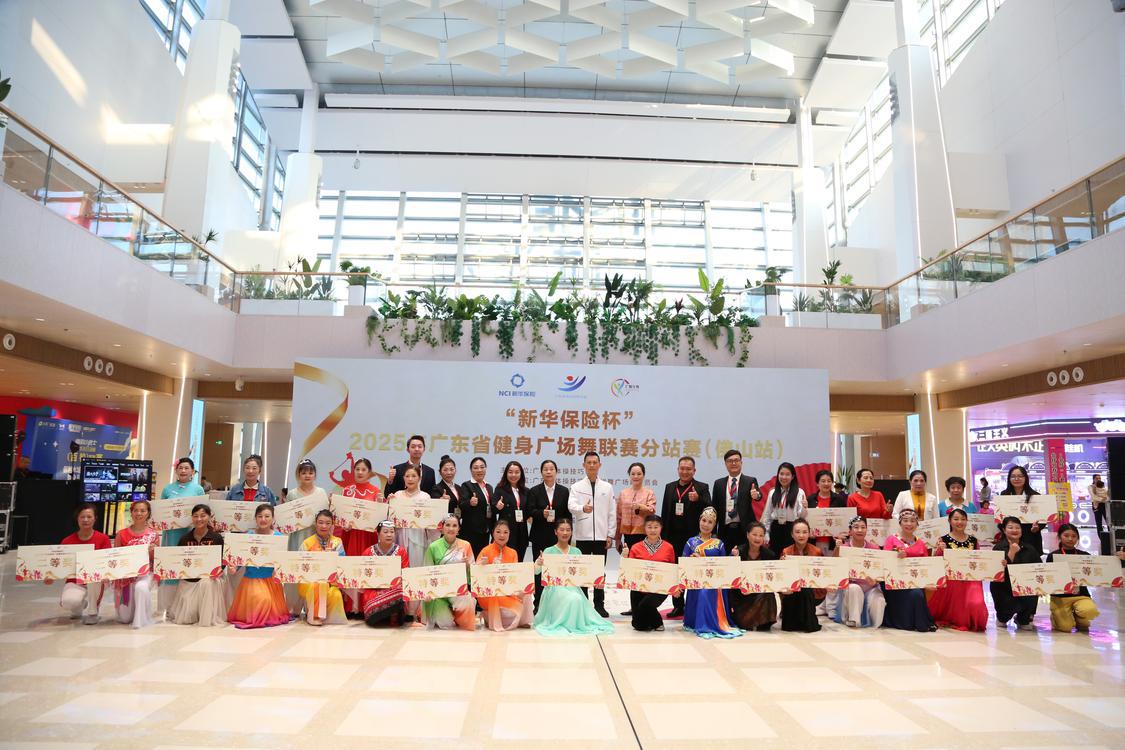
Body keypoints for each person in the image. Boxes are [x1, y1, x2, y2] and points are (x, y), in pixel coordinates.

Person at [533, 518, 615, 637]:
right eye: (562, 530)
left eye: (568, 530)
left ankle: (573, 624)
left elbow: (584, 573)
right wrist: (538, 563)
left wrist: (596, 579)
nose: (565, 533)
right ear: (556, 532)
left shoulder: (576, 551)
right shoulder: (548, 551)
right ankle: (566, 623)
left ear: (572, 532)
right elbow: (536, 572)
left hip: (573, 588)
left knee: (577, 598)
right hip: (554, 589)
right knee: (573, 599)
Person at [660, 456, 712, 617]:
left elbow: (710, 508)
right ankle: (678, 605)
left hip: (693, 538)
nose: (685, 471)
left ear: (694, 471)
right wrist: (663, 537)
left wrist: (698, 499)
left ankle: (695, 605)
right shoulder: (670, 487)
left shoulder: (702, 487)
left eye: (688, 469)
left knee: (694, 571)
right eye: (682, 468)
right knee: (676, 571)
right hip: (673, 537)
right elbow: (665, 512)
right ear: (678, 469)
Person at [568, 451, 616, 618]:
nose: (592, 465)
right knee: (583, 572)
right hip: (583, 536)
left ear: (599, 465)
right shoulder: (576, 487)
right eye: (589, 462)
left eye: (595, 462)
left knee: (599, 572)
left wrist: (610, 534)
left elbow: (611, 512)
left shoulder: (607, 487)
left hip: (601, 537)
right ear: (584, 465)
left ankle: (599, 605)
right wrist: (583, 508)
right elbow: (571, 506)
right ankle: (583, 604)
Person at [227, 504, 291, 629]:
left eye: (267, 516)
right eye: (260, 516)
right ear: (255, 518)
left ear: (273, 518)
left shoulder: (278, 537)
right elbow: (241, 556)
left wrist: (279, 570)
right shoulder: (248, 535)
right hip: (252, 579)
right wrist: (234, 567)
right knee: (262, 599)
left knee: (268, 605)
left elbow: (282, 560)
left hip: (270, 580)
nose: (263, 519)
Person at [681, 507, 742, 639]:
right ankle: (699, 622)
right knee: (703, 590)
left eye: (710, 522)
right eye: (704, 520)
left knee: (707, 591)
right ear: (699, 520)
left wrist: (733, 555)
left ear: (714, 525)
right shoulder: (690, 542)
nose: (706, 524)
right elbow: (683, 566)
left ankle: (709, 624)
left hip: (715, 583)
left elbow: (724, 565)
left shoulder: (719, 543)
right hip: (696, 582)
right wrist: (692, 560)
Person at [284, 459, 333, 614]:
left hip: (316, 538)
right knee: (297, 568)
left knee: (315, 569)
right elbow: (286, 518)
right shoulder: (292, 494)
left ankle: (313, 607)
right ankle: (294, 608)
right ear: (298, 474)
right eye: (304, 472)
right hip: (297, 537)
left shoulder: (321, 493)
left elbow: (327, 517)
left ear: (315, 475)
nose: (307, 475)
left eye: (310, 472)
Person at [158, 457, 206, 614]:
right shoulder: (167, 489)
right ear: (176, 470)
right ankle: (170, 609)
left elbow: (203, 512)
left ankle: (188, 608)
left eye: (187, 468)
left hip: (191, 534)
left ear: (192, 471)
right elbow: (161, 512)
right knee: (172, 567)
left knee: (188, 566)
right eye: (180, 468)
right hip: (171, 535)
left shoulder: (198, 489)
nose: (183, 470)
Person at [929, 508, 988, 632]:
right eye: (956, 519)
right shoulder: (943, 539)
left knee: (976, 601)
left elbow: (979, 559)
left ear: (967, 521)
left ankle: (973, 620)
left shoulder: (973, 540)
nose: (959, 522)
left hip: (971, 579)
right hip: (951, 579)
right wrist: (940, 550)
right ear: (950, 521)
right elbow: (937, 561)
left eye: (963, 519)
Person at [169, 504, 226, 627]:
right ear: (192, 518)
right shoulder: (184, 539)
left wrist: (217, 571)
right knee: (186, 618)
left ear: (209, 517)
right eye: (195, 516)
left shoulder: (216, 538)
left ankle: (206, 617)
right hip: (189, 579)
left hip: (210, 578)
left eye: (203, 516)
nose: (199, 519)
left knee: (206, 583)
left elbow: (223, 560)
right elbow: (178, 561)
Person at [881, 509, 936, 631]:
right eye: (905, 520)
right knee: (915, 593)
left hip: (916, 581)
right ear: (900, 523)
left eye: (912, 521)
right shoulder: (891, 539)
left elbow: (925, 565)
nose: (909, 524)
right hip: (896, 582)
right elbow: (885, 562)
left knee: (920, 592)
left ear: (917, 524)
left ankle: (919, 621)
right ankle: (907, 622)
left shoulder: (921, 543)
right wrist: (895, 557)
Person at [527, 459, 570, 612]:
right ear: (541, 472)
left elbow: (567, 515)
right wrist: (541, 513)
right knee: (539, 570)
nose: (549, 472)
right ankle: (538, 603)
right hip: (539, 536)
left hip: (558, 538)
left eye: (551, 469)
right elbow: (529, 511)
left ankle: (557, 602)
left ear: (556, 472)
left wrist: (566, 535)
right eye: (545, 469)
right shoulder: (534, 491)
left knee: (557, 570)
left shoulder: (564, 491)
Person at [476, 520, 534, 631]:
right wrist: (482, 566)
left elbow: (515, 577)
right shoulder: (485, 551)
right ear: (493, 533)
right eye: (498, 532)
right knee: (501, 601)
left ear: (509, 534)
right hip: (490, 594)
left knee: (527, 591)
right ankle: (490, 618)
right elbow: (476, 577)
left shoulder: (513, 552)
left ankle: (523, 621)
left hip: (508, 591)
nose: (502, 535)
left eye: (505, 532)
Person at [59, 504, 112, 624]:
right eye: (82, 517)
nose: (85, 520)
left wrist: (106, 575)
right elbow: (60, 565)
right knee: (69, 603)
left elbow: (107, 561)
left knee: (94, 578)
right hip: (75, 580)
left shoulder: (103, 539)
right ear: (77, 519)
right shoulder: (67, 541)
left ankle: (93, 612)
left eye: (89, 517)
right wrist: (49, 576)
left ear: (95, 519)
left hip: (96, 579)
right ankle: (80, 604)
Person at [421, 515, 476, 631]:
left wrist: (467, 565)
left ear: (459, 529)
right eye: (448, 525)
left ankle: (458, 615)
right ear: (442, 528)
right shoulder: (433, 547)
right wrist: (428, 592)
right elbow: (426, 572)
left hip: (458, 589)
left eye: (454, 525)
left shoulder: (466, 545)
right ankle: (447, 612)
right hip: (438, 592)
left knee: (469, 601)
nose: (451, 528)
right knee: (446, 624)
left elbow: (474, 575)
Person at [623, 514, 676, 632]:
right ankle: (648, 620)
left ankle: (657, 622)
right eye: (649, 527)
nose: (653, 530)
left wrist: (675, 588)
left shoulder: (669, 547)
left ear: (661, 528)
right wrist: (625, 557)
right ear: (644, 528)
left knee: (645, 605)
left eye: (656, 527)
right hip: (639, 589)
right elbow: (630, 571)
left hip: (659, 589)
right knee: (639, 626)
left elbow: (672, 570)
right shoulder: (636, 547)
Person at [1045, 523, 1101, 632]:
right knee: (1065, 628)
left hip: (1081, 595)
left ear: (1078, 538)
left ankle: (1079, 617)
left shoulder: (1085, 555)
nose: (1070, 539)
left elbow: (1094, 574)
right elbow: (1049, 577)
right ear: (1059, 537)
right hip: (1060, 598)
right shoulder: (1053, 556)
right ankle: (1056, 617)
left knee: (1089, 612)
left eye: (1074, 536)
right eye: (1066, 535)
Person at [832, 516, 885, 628]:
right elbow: (835, 567)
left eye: (863, 527)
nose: (860, 530)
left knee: (879, 600)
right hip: (851, 586)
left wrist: (875, 581)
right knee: (854, 589)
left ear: (867, 529)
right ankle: (854, 621)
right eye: (856, 527)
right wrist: (837, 548)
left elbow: (881, 572)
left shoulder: (874, 549)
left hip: (870, 587)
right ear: (850, 531)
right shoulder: (844, 548)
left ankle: (875, 627)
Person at [113, 500, 160, 628]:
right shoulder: (121, 534)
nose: (139, 513)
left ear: (148, 513)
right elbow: (115, 558)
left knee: (141, 587)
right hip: (126, 576)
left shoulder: (153, 534)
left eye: (143, 511)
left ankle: (140, 620)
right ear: (131, 512)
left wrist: (153, 551)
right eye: (136, 510)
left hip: (145, 574)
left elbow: (156, 561)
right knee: (125, 618)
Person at [991, 515, 1041, 631]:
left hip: (1025, 587)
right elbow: (996, 573)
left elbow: (1039, 568)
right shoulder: (998, 547)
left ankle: (1023, 618)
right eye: (1010, 527)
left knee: (1030, 598)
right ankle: (1002, 617)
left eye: (1017, 527)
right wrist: (1012, 552)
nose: (1014, 530)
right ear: (1004, 530)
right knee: (1003, 619)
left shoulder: (1029, 548)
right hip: (1004, 587)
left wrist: (1042, 586)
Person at [298, 510, 347, 626]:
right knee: (320, 585)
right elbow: (300, 567)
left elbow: (342, 564)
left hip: (331, 581)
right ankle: (314, 616)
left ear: (332, 525)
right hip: (309, 581)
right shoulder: (307, 543)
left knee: (335, 594)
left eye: (327, 523)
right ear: (315, 524)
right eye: (320, 522)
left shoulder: (337, 542)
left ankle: (328, 618)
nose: (324, 526)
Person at [361, 520, 412, 627]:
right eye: (385, 532)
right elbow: (363, 575)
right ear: (378, 533)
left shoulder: (401, 551)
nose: (389, 535)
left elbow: (406, 574)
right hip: (374, 588)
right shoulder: (368, 552)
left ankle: (394, 616)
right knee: (370, 597)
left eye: (392, 532)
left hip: (394, 588)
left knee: (401, 592)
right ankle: (377, 616)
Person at [712, 449, 761, 556]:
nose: (733, 463)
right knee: (725, 559)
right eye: (730, 461)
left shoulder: (750, 481)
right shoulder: (718, 483)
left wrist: (756, 495)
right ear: (726, 464)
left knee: (744, 559)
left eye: (736, 460)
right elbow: (714, 508)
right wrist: (714, 533)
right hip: (725, 530)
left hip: (744, 529)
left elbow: (758, 495)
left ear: (741, 462)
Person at [729, 522, 777, 631]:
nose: (757, 538)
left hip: (760, 593)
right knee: (743, 623)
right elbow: (730, 576)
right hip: (742, 595)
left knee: (768, 594)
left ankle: (763, 622)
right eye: (754, 534)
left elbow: (773, 579)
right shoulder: (738, 551)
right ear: (747, 535)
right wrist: (732, 557)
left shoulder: (769, 555)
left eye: (761, 535)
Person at [778, 519, 824, 633]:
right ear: (792, 534)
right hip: (791, 591)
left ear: (809, 533)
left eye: (804, 532)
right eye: (797, 532)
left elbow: (822, 576)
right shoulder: (786, 552)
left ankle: (809, 623)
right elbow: (781, 577)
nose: (801, 535)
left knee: (805, 589)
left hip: (811, 590)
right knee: (795, 589)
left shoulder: (817, 551)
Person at [389, 465, 435, 568]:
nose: (410, 479)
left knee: (416, 567)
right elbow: (391, 521)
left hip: (418, 536)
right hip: (400, 536)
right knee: (400, 567)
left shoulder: (425, 497)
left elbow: (430, 521)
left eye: (414, 476)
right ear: (403, 478)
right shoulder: (397, 495)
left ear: (419, 478)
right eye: (407, 476)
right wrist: (390, 504)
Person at [335, 457, 381, 557]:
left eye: (363, 470)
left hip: (368, 535)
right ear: (354, 471)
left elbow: (378, 518)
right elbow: (341, 515)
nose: (360, 472)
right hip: (350, 533)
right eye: (357, 469)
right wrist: (343, 524)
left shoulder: (376, 492)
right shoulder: (347, 490)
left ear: (369, 472)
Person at [761, 462, 807, 557]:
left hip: (791, 529)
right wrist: (766, 534)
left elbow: (802, 516)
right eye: (781, 474)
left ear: (793, 476)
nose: (784, 477)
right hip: (776, 528)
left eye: (787, 474)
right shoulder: (773, 492)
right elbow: (767, 515)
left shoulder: (799, 492)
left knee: (789, 558)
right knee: (775, 557)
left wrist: (804, 507)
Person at [1000, 465, 1044, 556]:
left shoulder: (1035, 495)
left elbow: (1042, 518)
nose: (1016, 479)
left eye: (1020, 476)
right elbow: (1000, 517)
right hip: (1009, 537)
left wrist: (1037, 527)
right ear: (1009, 479)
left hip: (1030, 536)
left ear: (1025, 478)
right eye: (1013, 476)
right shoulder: (1004, 495)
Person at [492, 460, 531, 562]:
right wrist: (497, 506)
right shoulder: (500, 489)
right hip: (506, 532)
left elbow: (529, 511)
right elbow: (493, 508)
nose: (513, 475)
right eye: (510, 472)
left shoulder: (526, 491)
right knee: (505, 563)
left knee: (519, 561)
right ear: (506, 473)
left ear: (521, 474)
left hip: (521, 532)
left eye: (517, 472)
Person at [617, 462, 657, 556]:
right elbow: (618, 517)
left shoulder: (649, 493)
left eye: (639, 474)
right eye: (633, 474)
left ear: (643, 475)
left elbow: (652, 510)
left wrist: (641, 507)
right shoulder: (623, 493)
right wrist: (618, 538)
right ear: (629, 475)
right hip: (627, 535)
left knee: (641, 562)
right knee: (628, 559)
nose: (636, 476)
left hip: (644, 535)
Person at [458, 456, 492, 557]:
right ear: (471, 470)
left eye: (482, 467)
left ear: (486, 468)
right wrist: (470, 502)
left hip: (485, 530)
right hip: (471, 531)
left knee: (482, 558)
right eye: (476, 467)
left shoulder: (489, 487)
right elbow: (461, 504)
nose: (479, 470)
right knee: (470, 559)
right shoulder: (467, 485)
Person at [431, 455, 462, 519]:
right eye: (445, 470)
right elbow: (434, 506)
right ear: (440, 472)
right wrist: (441, 501)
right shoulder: (436, 488)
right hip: (445, 521)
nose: (449, 473)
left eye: (452, 469)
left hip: (458, 521)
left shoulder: (459, 487)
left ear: (455, 470)